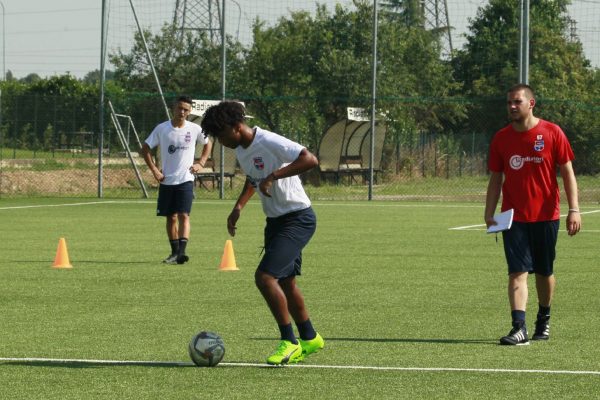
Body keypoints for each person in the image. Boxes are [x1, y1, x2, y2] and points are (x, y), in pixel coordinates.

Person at [200, 101, 324, 365]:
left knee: (265, 277)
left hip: (298, 218)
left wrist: (274, 176)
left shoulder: (267, 140)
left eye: (221, 136)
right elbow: (253, 177)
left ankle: (289, 342)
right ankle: (310, 337)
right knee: (286, 282)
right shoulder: (242, 149)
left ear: (237, 127)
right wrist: (238, 207)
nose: (221, 143)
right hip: (276, 222)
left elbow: (309, 159)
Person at [484, 83, 581, 346]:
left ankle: (544, 318)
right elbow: (496, 178)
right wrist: (489, 212)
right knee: (517, 272)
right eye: (509, 103)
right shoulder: (501, 138)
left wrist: (574, 209)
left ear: (531, 103)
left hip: (546, 216)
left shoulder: (552, 132)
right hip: (513, 218)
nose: (512, 107)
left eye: (517, 102)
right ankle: (519, 328)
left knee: (544, 272)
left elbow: (568, 172)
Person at [141, 95, 212, 265]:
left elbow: (208, 142)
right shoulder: (162, 129)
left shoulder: (194, 128)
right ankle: (174, 253)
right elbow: (145, 148)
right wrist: (155, 171)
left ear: (189, 112)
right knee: (171, 217)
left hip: (186, 179)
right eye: (179, 108)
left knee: (183, 215)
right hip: (166, 180)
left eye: (186, 110)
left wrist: (201, 162)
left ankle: (181, 252)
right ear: (173, 108)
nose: (182, 112)